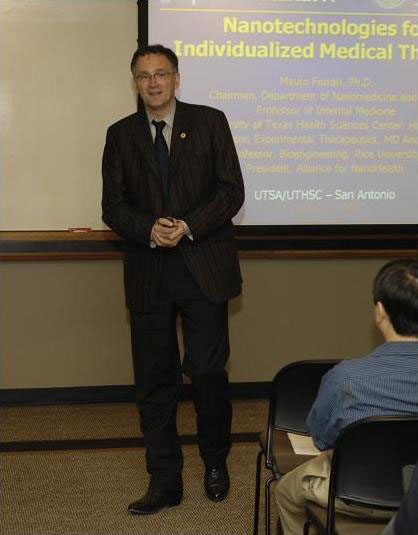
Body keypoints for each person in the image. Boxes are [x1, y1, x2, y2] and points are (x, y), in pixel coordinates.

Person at [101, 44, 244, 515]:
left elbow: (231, 191)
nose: (153, 83)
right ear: (135, 82)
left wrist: (187, 226)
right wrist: (147, 229)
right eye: (144, 76)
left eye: (161, 74)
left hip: (203, 267)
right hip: (149, 271)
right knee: (154, 381)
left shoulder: (210, 122)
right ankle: (164, 480)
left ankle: (215, 461)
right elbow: (113, 206)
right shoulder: (120, 135)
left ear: (177, 78)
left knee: (206, 373)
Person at [274, 258, 418, 535]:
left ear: (379, 312)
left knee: (286, 491)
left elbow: (321, 438)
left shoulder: (346, 378)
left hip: (353, 494)